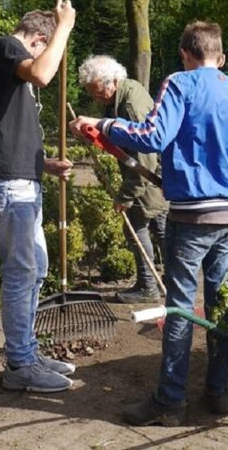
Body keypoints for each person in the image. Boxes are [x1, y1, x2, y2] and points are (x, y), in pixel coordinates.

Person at [69, 21, 228, 426]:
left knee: (179, 310)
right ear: (221, 57)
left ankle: (170, 402)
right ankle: (218, 394)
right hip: (227, 220)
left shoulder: (179, 83)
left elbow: (153, 135)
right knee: (219, 307)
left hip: (190, 218)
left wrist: (102, 125)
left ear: (184, 54)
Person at [0, 0, 77, 392]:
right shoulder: (7, 47)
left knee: (37, 268)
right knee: (20, 274)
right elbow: (44, 74)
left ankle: (27, 351)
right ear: (36, 39)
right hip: (7, 188)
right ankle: (19, 365)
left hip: (19, 180)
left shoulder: (11, 60)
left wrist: (43, 164)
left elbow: (6, 131)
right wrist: (63, 27)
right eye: (43, 47)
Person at [78, 55, 169, 304]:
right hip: (153, 175)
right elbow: (118, 135)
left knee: (137, 227)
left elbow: (145, 157)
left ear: (113, 81)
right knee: (161, 228)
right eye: (93, 94)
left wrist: (125, 196)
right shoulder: (124, 92)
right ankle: (175, 284)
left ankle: (148, 287)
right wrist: (92, 133)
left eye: (98, 93)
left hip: (148, 176)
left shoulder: (130, 105)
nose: (97, 99)